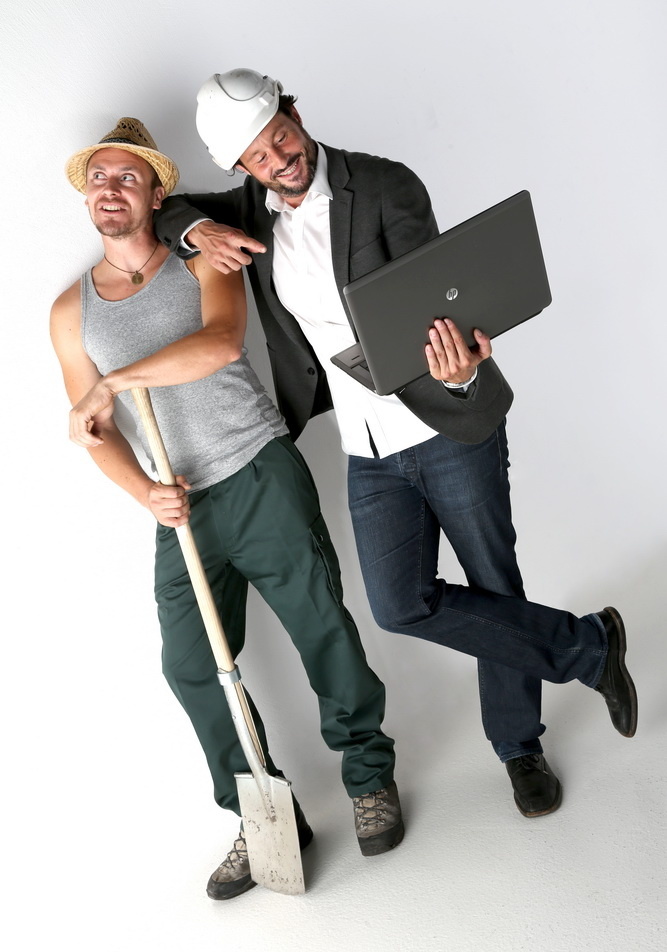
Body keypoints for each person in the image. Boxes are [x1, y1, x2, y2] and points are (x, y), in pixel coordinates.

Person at [154, 69, 638, 819]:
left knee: (491, 580)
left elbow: (438, 297)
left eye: (281, 136)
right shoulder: (248, 210)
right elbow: (164, 209)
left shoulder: (384, 185)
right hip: (367, 447)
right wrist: (198, 232)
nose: (279, 158)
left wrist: (456, 366)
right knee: (399, 604)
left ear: (295, 111)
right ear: (242, 167)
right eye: (257, 156)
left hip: (444, 422)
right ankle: (588, 646)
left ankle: (519, 747)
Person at [50, 117, 405, 902]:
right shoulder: (70, 312)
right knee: (189, 665)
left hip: (256, 470)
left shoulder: (203, 257)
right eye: (99, 178)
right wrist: (144, 491)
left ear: (157, 193)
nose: (111, 189)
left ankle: (368, 778)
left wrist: (115, 381)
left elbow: (218, 343)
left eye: (128, 177)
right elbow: (94, 428)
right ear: (87, 195)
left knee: (321, 627)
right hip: (180, 505)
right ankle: (261, 813)